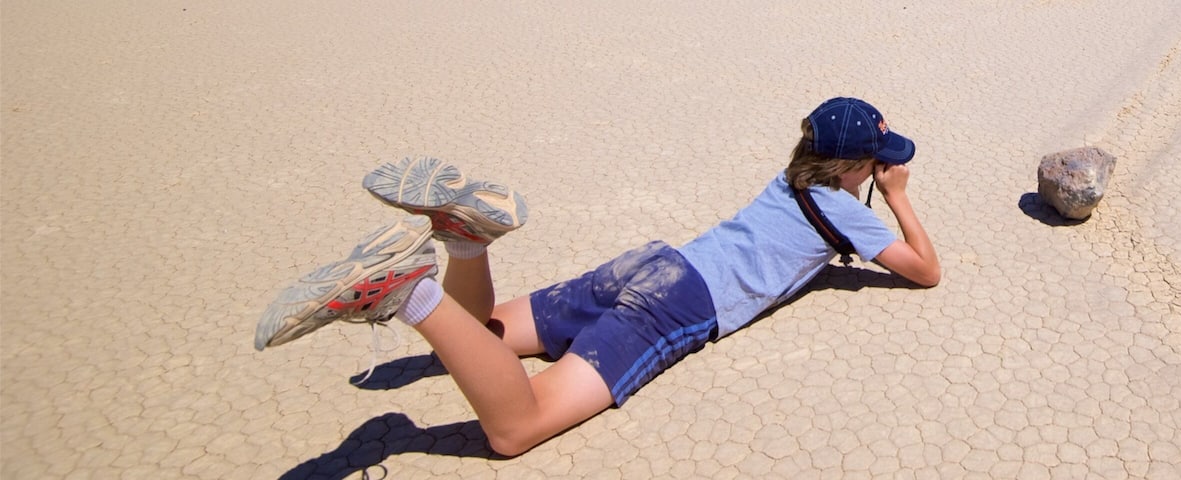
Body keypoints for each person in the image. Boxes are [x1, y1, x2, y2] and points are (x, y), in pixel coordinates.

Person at [254, 97, 940, 456]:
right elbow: (925, 272)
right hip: (677, 304)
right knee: (516, 427)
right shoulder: (850, 214)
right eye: (876, 160)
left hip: (649, 264)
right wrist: (897, 196)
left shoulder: (789, 179)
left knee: (483, 332)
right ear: (854, 168)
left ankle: (465, 243)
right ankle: (411, 291)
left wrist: (859, 182)